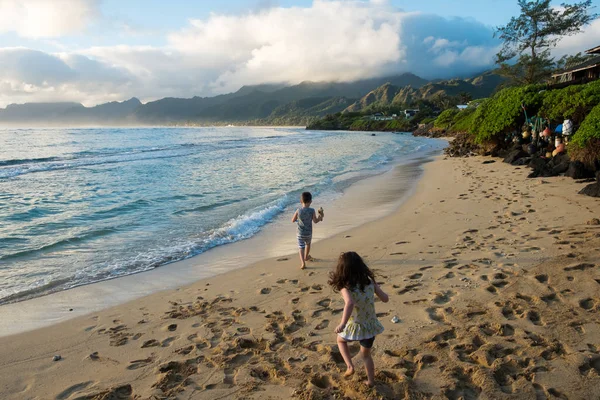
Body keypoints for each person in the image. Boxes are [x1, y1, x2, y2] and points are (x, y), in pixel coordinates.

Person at [328, 251, 389, 388]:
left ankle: (350, 366)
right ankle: (371, 382)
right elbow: (385, 298)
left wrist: (343, 323)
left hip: (354, 326)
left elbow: (349, 303)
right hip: (370, 326)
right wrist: (381, 295)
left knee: (340, 340)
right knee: (366, 356)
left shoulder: (345, 286)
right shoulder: (369, 281)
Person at [291, 192, 322, 269]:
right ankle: (306, 256)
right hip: (308, 233)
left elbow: (293, 220)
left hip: (300, 233)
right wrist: (320, 217)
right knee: (308, 244)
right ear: (311, 201)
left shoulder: (298, 210)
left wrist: (298, 221)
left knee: (301, 247)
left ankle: (302, 263)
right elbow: (315, 221)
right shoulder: (312, 210)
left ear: (301, 201)